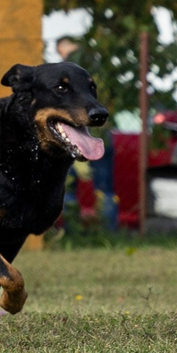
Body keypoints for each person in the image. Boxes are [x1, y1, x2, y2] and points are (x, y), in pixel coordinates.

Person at [56, 37, 118, 227]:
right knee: (104, 189)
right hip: (101, 135)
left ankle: (72, 231)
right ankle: (108, 232)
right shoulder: (100, 70)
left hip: (76, 136)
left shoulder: (66, 74)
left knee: (68, 187)